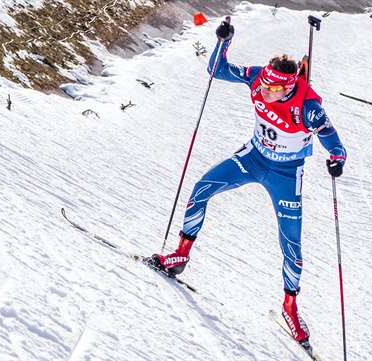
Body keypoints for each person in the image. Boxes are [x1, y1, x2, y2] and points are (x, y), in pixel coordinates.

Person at [148, 18, 347, 351]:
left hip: (286, 173)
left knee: (292, 246)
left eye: (274, 90)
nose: (266, 94)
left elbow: (334, 141)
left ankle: (290, 308)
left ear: (289, 85)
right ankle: (179, 257)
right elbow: (217, 70)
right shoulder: (258, 77)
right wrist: (223, 41)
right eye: (265, 87)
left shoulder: (309, 108)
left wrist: (336, 160)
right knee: (201, 189)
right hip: (252, 157)